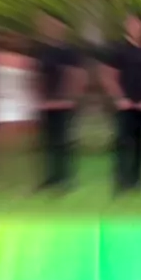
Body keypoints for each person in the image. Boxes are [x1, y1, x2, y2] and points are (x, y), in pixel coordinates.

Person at [99, 14, 141, 193]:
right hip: (125, 107)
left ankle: (136, 179)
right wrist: (120, 99)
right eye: (132, 24)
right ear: (126, 26)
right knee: (123, 143)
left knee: (140, 144)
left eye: (138, 25)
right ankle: (122, 181)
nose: (135, 28)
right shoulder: (119, 49)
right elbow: (107, 76)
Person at [31, 11, 85, 191]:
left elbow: (77, 76)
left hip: (64, 104)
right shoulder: (42, 51)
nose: (50, 28)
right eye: (47, 24)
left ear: (62, 28)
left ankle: (66, 178)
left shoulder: (70, 52)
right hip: (46, 105)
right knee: (48, 142)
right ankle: (51, 178)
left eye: (54, 24)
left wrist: (69, 99)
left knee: (64, 142)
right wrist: (40, 99)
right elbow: (38, 76)